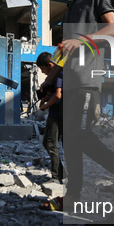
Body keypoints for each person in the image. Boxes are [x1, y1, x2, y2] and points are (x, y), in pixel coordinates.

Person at [43, 0, 114, 212]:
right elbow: (63, 53)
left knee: (79, 134)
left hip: (88, 80)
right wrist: (49, 79)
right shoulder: (68, 12)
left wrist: (84, 39)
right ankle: (73, 197)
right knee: (70, 142)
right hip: (71, 82)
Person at [36, 52, 63, 183]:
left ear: (50, 65)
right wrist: (44, 98)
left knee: (51, 144)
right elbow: (52, 95)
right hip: (55, 113)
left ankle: (56, 176)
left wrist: (45, 106)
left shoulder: (59, 76)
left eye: (43, 69)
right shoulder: (53, 79)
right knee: (47, 142)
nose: (43, 72)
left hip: (58, 114)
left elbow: (58, 96)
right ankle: (60, 171)